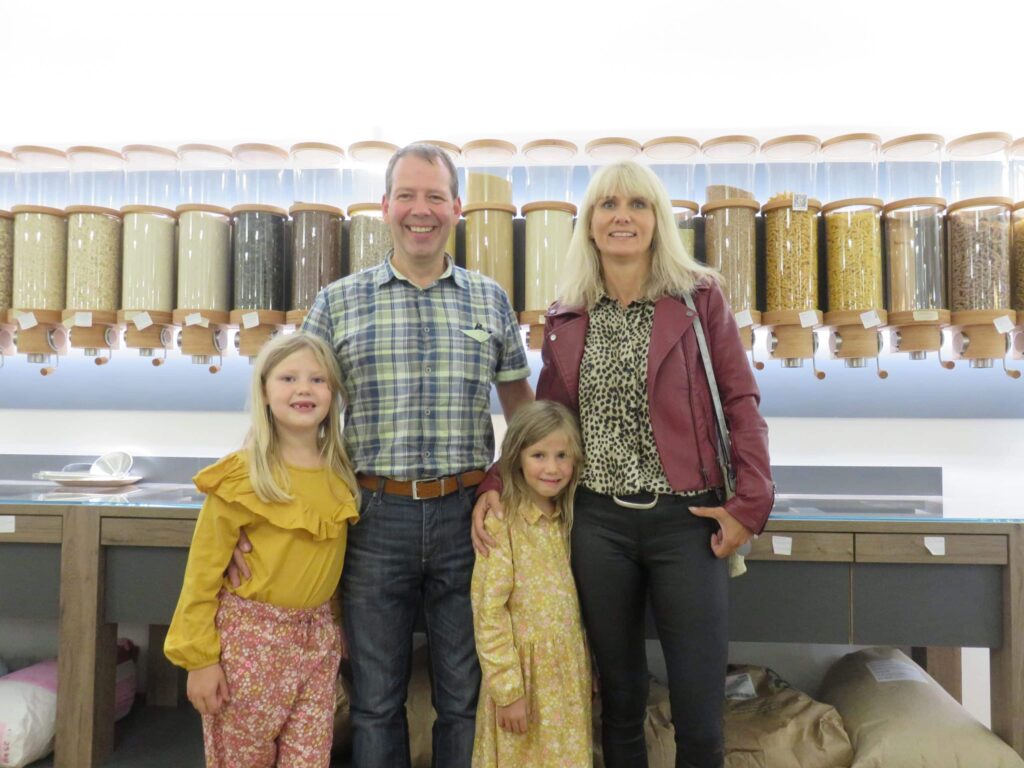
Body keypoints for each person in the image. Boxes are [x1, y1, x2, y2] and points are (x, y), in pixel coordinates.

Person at [229, 143, 534, 768]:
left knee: (463, 698)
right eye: (407, 196)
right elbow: (291, 408)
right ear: (385, 205)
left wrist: (505, 484)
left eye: (435, 197)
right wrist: (249, 509)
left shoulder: (490, 300)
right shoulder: (338, 302)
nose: (421, 210)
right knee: (374, 701)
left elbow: (523, 411)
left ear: (456, 207)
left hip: (469, 521)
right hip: (371, 517)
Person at [473, 161, 774, 768]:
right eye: (607, 205)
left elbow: (740, 401)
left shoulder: (698, 300)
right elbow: (544, 424)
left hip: (688, 521)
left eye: (637, 204)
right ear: (589, 223)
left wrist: (750, 504)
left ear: (657, 219)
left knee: (698, 704)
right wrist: (496, 481)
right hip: (598, 524)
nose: (622, 216)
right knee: (619, 697)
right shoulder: (569, 315)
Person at [165, 332, 360, 767]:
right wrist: (199, 660)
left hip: (317, 646)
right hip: (249, 646)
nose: (304, 389)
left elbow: (328, 566)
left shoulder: (341, 474)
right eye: (288, 378)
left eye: (318, 380)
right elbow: (201, 575)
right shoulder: (242, 476)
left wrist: (336, 624)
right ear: (265, 391)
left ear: (333, 393)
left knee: (310, 759)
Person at [471, 400, 591, 768]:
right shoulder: (501, 520)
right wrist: (508, 692)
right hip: (522, 681)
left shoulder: (570, 518)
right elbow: (488, 613)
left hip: (567, 680)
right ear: (517, 457)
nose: (552, 468)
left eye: (562, 456)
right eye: (539, 455)